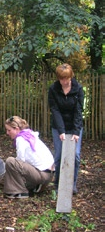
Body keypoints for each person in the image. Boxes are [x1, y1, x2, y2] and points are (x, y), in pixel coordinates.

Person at [48, 63, 84, 194]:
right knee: (59, 155)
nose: (64, 81)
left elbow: (78, 111)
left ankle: (72, 183)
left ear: (71, 76)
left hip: (74, 125)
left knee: (75, 155)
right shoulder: (53, 89)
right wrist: (61, 130)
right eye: (61, 79)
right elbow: (55, 110)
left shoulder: (78, 89)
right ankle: (58, 184)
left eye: (66, 78)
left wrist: (75, 131)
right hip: (58, 126)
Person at [3, 116, 54, 199]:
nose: (7, 133)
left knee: (11, 161)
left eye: (9, 130)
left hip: (42, 175)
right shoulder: (29, 134)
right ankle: (36, 185)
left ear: (16, 128)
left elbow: (20, 160)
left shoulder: (20, 139)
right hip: (49, 174)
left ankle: (19, 191)